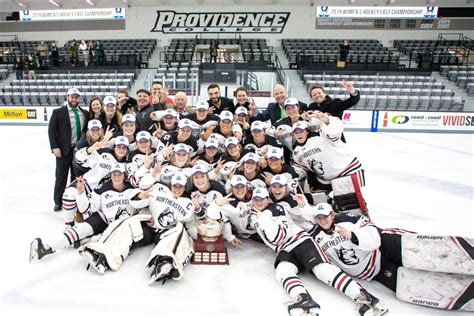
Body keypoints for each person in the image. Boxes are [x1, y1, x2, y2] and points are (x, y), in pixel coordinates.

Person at [301, 202, 474, 312]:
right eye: (319, 217)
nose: (323, 220)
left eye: (325, 216)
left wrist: (352, 236)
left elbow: (374, 235)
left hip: (385, 246)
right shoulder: (317, 237)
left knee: (424, 253)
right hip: (376, 272)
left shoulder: (348, 220)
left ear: (332, 215)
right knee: (415, 285)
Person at [247, 187, 386, 316]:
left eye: (262, 199)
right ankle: (304, 299)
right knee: (282, 271)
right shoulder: (258, 214)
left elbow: (278, 236)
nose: (259, 202)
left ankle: (363, 296)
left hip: (300, 241)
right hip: (284, 248)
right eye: (256, 199)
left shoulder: (274, 209)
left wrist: (264, 219)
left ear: (268, 199)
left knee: (321, 269)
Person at [29, 164, 140, 268]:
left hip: (122, 225)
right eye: (114, 174)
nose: (116, 177)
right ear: (110, 175)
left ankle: (92, 246)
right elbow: (86, 208)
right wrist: (81, 193)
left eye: (119, 174)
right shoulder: (102, 189)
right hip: (104, 219)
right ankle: (48, 248)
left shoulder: (133, 188)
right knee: (80, 229)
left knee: (109, 240)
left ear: (124, 175)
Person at [291, 117, 364, 193]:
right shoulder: (296, 151)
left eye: (301, 131)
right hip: (325, 180)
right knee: (319, 199)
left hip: (346, 171)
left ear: (307, 132)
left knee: (349, 199)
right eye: (296, 132)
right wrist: (291, 174)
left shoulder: (320, 136)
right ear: (293, 135)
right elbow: (302, 168)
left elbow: (333, 133)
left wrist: (327, 121)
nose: (299, 134)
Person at [48, 88, 88, 212]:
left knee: (76, 176)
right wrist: (54, 147)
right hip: (63, 150)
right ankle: (58, 201)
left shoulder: (84, 113)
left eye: (76, 97)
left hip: (78, 151)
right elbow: (51, 130)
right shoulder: (58, 112)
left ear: (79, 98)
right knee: (61, 177)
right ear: (67, 97)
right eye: (72, 97)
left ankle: (73, 199)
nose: (74, 99)